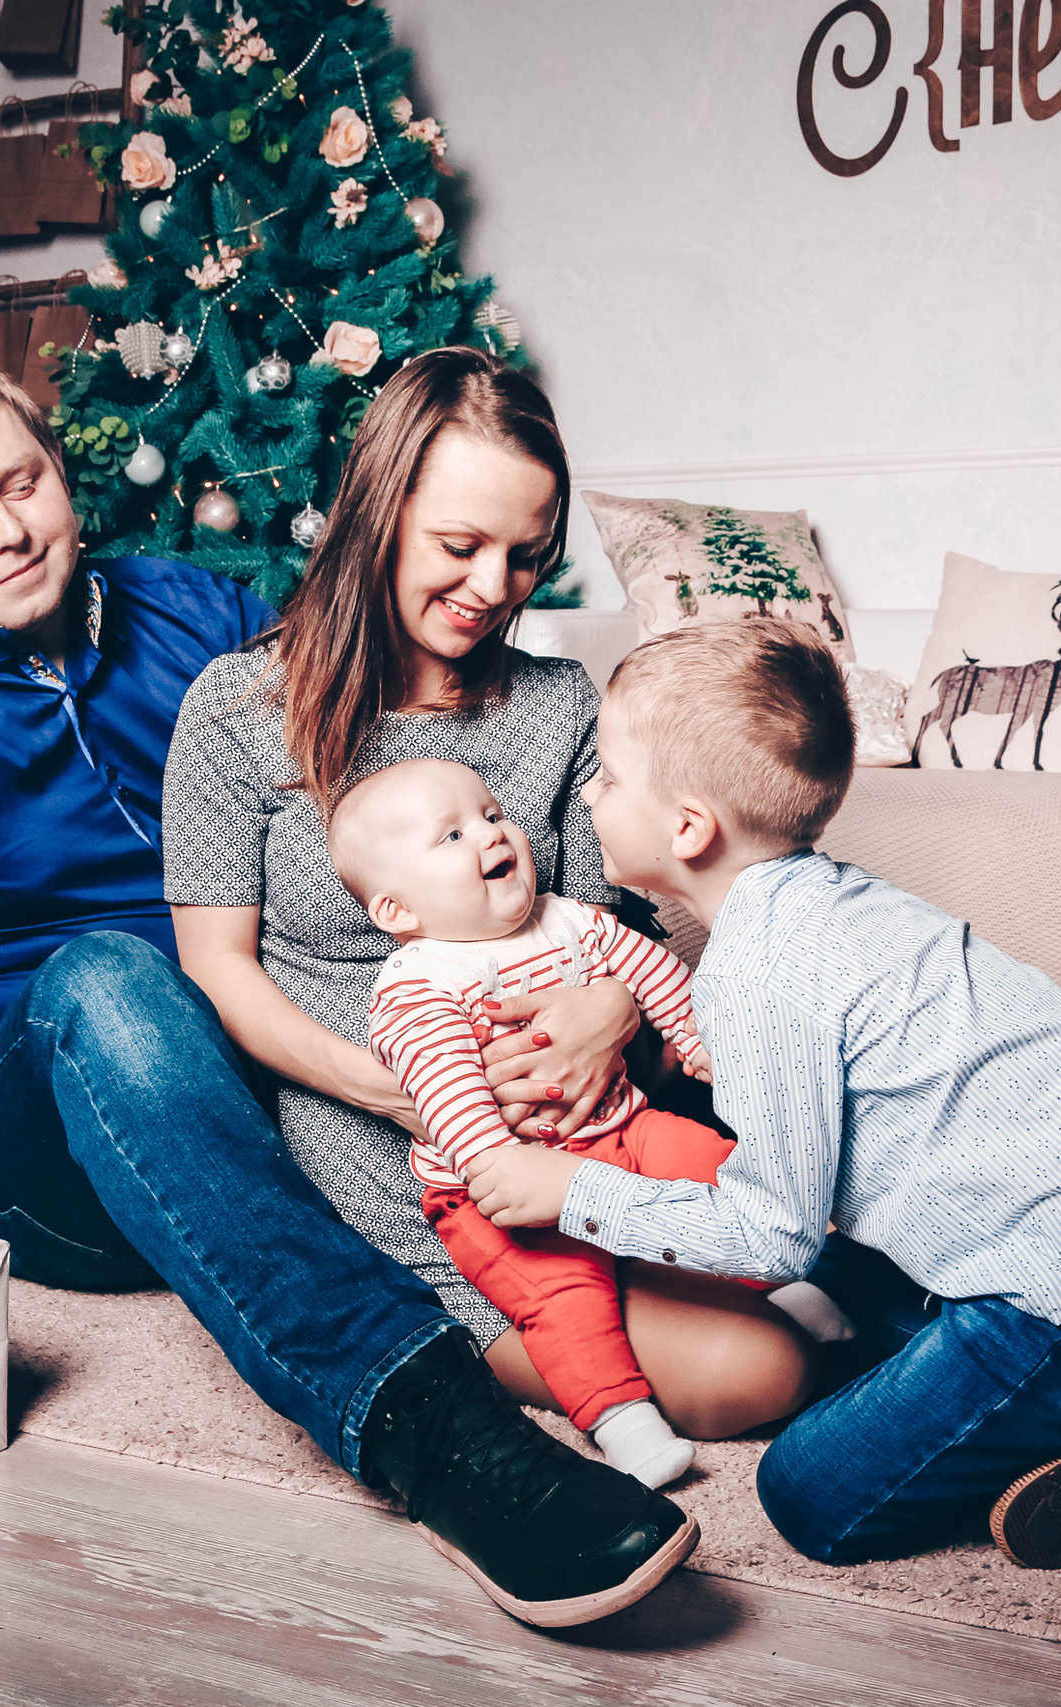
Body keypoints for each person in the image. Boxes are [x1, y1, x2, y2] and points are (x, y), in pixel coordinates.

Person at [0, 351, 694, 1629]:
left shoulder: (201, 619)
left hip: (252, 1104)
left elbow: (362, 747)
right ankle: (430, 1434)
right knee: (108, 980)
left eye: (21, 483)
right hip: (50, 1152)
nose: (6, 533)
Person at [464, 616, 1061, 1569]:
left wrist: (573, 1193)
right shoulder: (822, 902)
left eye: (612, 777)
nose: (590, 794)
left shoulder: (758, 972)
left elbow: (770, 1230)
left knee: (810, 1493)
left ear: (688, 827)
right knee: (817, 1294)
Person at [161, 349, 814, 1492]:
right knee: (759, 1375)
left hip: (596, 1124)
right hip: (407, 1165)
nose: (492, 584)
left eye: (524, 554)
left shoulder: (560, 706)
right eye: (458, 547)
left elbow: (617, 925)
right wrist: (392, 1087)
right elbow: (216, 970)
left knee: (820, 1250)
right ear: (378, 513)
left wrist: (606, 1016)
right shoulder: (234, 712)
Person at [336, 756, 841, 1489]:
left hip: (622, 1127)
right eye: (451, 835)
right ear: (397, 911)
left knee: (718, 1165)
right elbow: (443, 1088)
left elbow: (655, 975)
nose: (489, 833)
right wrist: (498, 1166)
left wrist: (704, 1046)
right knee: (563, 1297)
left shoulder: (566, 919)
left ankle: (784, 1277)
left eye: (490, 812)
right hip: (498, 1190)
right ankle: (618, 1416)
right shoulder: (419, 982)